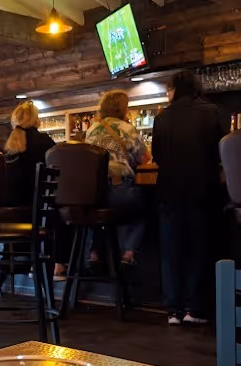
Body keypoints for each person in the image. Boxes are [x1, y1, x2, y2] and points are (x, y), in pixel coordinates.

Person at [152, 70, 223, 326]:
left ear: (174, 90)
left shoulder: (162, 117)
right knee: (198, 250)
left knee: (171, 252)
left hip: (169, 191)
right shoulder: (211, 112)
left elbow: (157, 156)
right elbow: (221, 151)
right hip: (202, 191)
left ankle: (173, 311)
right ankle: (195, 309)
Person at [86, 90, 150, 266]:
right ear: (122, 109)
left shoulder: (92, 129)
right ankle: (128, 254)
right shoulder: (127, 128)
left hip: (95, 194)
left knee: (98, 215)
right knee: (144, 210)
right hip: (120, 190)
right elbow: (145, 159)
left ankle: (95, 253)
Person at [3, 102, 54, 207]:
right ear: (36, 120)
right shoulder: (44, 140)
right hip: (37, 205)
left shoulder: (9, 144)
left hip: (10, 204)